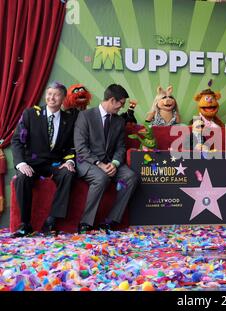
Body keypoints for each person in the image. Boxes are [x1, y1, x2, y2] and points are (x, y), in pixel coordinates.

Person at [11, 82, 76, 237]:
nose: (51, 98)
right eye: (49, 93)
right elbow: (17, 141)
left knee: (69, 174)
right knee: (22, 178)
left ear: (63, 98)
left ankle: (51, 221)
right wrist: (21, 163)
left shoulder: (69, 119)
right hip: (32, 163)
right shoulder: (30, 114)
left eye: (56, 94)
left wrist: (69, 161)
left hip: (55, 163)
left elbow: (72, 146)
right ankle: (25, 225)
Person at [74, 84, 139, 233]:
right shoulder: (85, 116)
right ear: (111, 100)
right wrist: (99, 164)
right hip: (88, 161)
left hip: (111, 163)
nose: (121, 108)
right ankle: (86, 223)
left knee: (131, 177)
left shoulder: (119, 121)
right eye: (121, 104)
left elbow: (121, 147)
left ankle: (110, 221)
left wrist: (115, 163)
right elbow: (81, 147)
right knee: (101, 177)